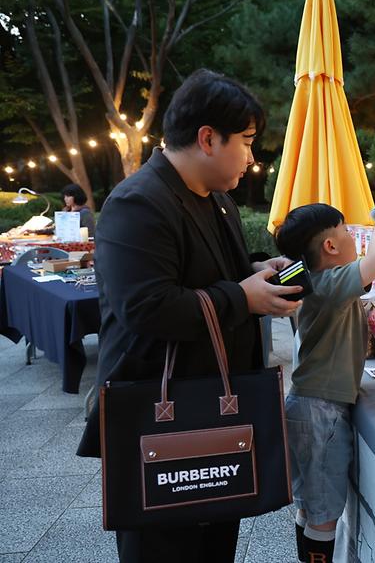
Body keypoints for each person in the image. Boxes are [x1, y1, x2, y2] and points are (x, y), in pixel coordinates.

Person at [76, 69, 302, 563]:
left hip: (215, 407)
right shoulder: (138, 202)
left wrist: (258, 270)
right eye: (245, 141)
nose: (250, 156)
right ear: (206, 138)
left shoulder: (216, 198)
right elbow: (147, 306)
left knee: (215, 541)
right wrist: (242, 299)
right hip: (162, 418)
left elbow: (208, 272)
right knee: (166, 546)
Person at [274, 198, 375, 563]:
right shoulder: (328, 282)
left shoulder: (315, 280)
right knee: (324, 514)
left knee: (310, 505)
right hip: (320, 413)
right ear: (330, 245)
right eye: (345, 231)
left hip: (308, 405)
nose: (352, 237)